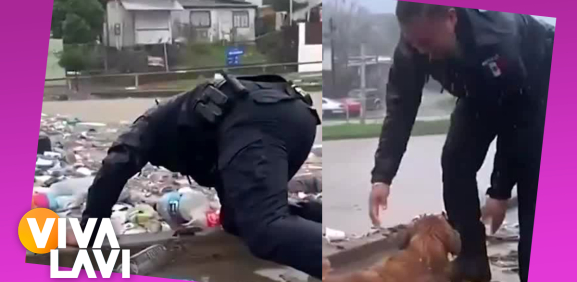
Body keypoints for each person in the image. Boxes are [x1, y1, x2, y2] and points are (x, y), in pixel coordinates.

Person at [368, 2, 554, 282]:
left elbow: (518, 122)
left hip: (540, 82)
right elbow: (400, 108)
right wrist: (382, 176)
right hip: (479, 87)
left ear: (451, 19)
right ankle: (472, 262)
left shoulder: (498, 37)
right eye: (415, 43)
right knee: (455, 160)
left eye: (427, 43)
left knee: (535, 185)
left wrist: (499, 190)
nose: (422, 52)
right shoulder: (413, 47)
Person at [73, 73, 323, 279]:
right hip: (296, 117)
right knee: (240, 222)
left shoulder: (149, 126)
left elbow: (115, 164)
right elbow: (235, 193)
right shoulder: (200, 136)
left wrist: (90, 232)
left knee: (264, 227)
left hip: (258, 119)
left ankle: (340, 266)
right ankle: (321, 221)